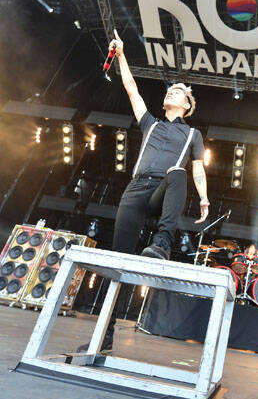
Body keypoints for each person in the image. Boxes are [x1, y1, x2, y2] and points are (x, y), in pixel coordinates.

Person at [80, 35, 209, 351]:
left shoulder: (193, 134)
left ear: (187, 105)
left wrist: (204, 197)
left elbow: (197, 169)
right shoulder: (150, 123)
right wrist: (122, 55)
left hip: (164, 191)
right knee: (119, 262)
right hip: (136, 191)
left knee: (177, 173)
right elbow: (131, 89)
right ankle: (105, 336)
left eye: (177, 92)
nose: (170, 92)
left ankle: (162, 242)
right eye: (169, 90)